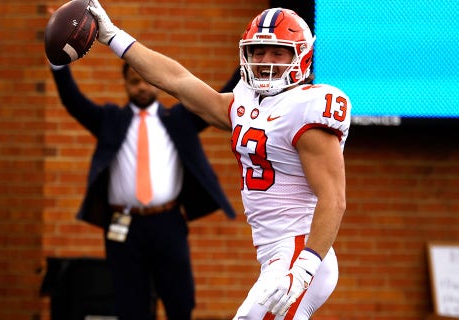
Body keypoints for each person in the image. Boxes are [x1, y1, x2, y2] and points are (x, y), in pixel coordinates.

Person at [86, 1, 351, 319]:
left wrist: (306, 266)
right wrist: (113, 36)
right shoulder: (246, 103)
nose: (265, 61)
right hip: (276, 253)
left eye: (277, 52)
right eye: (258, 51)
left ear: (301, 55)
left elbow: (333, 198)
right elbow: (176, 80)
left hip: (299, 252)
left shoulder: (307, 107)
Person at [49, 57, 238, 318]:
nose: (141, 87)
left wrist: (245, 63)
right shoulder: (110, 119)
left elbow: (218, 99)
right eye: (134, 81)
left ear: (157, 84)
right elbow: (73, 102)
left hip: (168, 222)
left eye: (146, 81)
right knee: (130, 306)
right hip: (123, 226)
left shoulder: (179, 118)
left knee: (180, 301)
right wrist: (58, 62)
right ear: (125, 84)